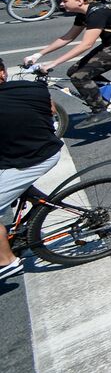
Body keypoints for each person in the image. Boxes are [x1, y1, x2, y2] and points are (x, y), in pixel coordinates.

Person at [23, 0, 111, 128]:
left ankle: (100, 111)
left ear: (80, 1)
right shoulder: (83, 14)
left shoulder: (97, 14)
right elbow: (67, 38)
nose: (62, 4)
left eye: (65, 1)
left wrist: (53, 64)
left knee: (80, 76)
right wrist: (38, 55)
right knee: (73, 71)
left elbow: (86, 44)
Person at [0, 56, 64, 281]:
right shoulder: (32, 87)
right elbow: (52, 110)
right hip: (41, 145)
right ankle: (35, 199)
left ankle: (7, 262)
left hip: (33, 157)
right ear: (3, 73)